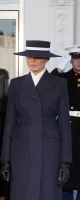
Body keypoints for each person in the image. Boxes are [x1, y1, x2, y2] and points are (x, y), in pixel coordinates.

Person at [0, 40, 72, 200]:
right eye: (29, 57)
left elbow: (64, 124)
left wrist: (65, 162)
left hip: (50, 150)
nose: (32, 61)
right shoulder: (16, 84)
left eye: (37, 57)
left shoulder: (59, 84)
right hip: (21, 149)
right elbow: (9, 124)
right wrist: (5, 159)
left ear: (46, 59)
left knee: (47, 193)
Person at [51, 44, 80, 200]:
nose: (79, 61)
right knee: (65, 177)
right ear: (70, 60)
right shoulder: (63, 78)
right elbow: (49, 81)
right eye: (75, 58)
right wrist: (62, 63)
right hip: (67, 130)